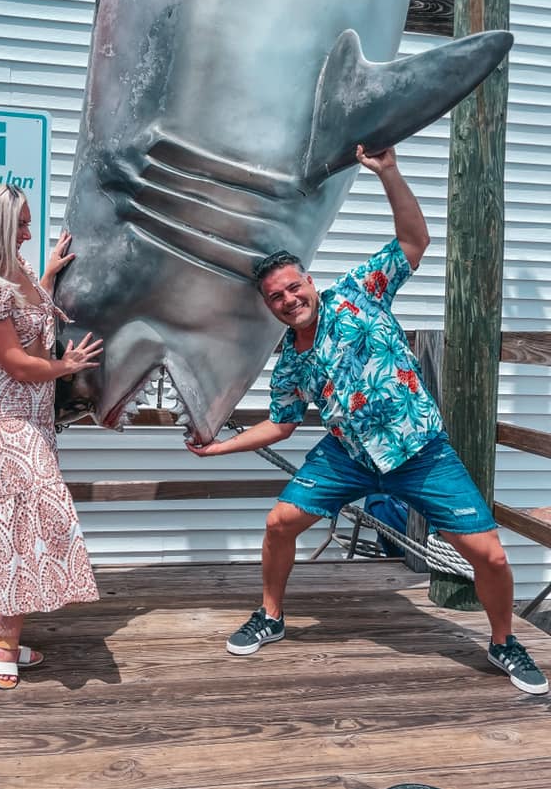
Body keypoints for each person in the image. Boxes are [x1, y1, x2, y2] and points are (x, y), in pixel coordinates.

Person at [187, 145, 549, 696]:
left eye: (293, 286)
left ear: (308, 281)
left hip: (419, 453)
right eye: (276, 296)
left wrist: (388, 172)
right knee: (279, 523)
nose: (289, 299)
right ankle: (271, 615)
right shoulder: (287, 362)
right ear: (269, 306)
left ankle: (503, 641)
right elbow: (281, 425)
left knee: (490, 555)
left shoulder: (358, 293)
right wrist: (217, 447)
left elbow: (413, 242)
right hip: (347, 457)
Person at [0, 183, 103, 690]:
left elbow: (26, 322)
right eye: (19, 223)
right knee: (30, 512)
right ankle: (5, 639)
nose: (28, 231)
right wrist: (68, 365)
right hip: (2, 416)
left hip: (32, 417)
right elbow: (17, 364)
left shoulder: (14, 273)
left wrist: (48, 276)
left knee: (0, 517)